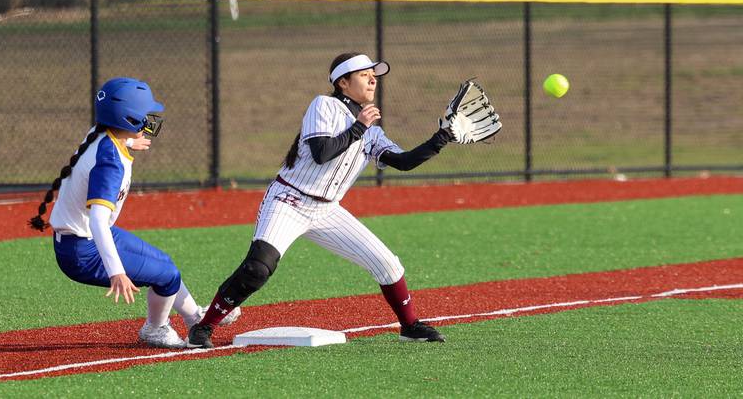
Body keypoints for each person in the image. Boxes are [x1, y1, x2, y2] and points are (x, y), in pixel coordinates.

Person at [188, 53, 453, 348]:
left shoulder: (371, 131)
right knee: (258, 268)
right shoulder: (325, 105)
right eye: (365, 74)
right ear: (343, 82)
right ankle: (203, 327)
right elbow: (321, 152)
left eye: (373, 75)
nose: (373, 79)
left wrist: (442, 137)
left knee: (388, 265)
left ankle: (409, 325)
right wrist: (358, 128)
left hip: (327, 210)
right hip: (289, 200)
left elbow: (404, 162)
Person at [28, 77, 238, 349]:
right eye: (142, 116)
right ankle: (155, 328)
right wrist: (116, 272)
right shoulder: (110, 163)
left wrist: (128, 141)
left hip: (83, 239)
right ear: (127, 119)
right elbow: (98, 221)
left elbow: (106, 152)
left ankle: (194, 318)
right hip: (82, 251)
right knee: (166, 275)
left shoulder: (103, 135)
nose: (148, 121)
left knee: (165, 265)